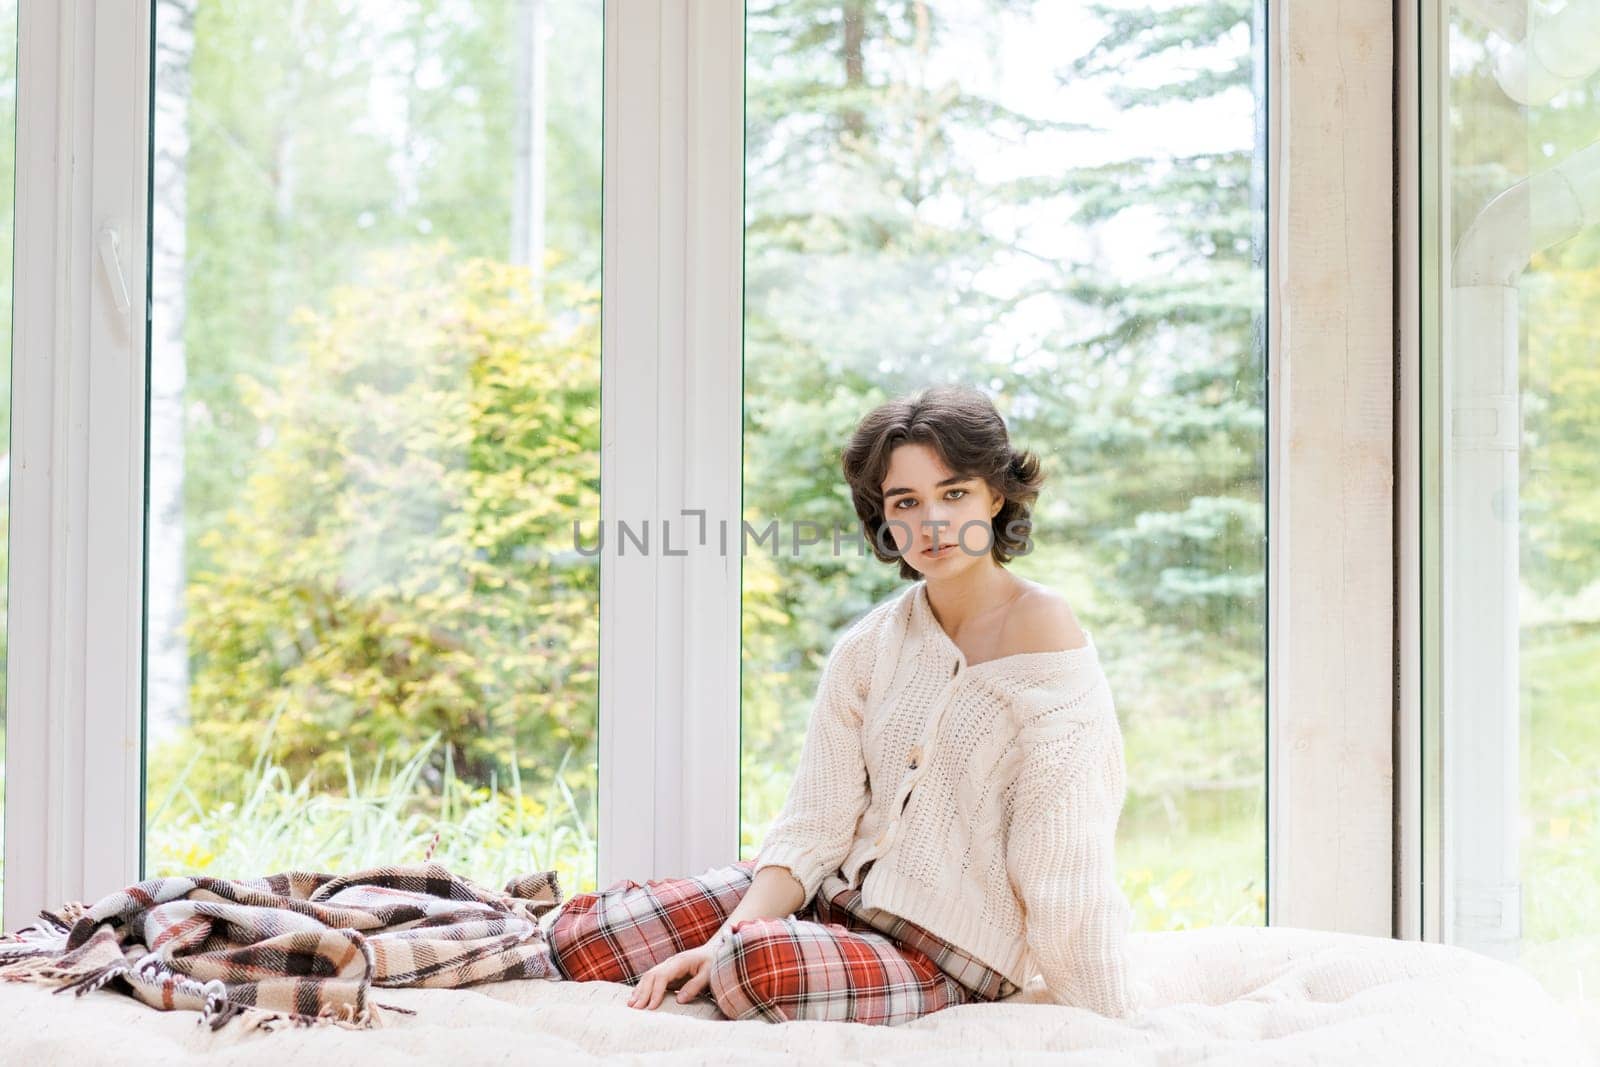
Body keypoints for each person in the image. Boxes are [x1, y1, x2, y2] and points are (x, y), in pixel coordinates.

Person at [545, 384, 1137, 1025]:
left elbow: (1064, 851)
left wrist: (1111, 1021)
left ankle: (750, 947)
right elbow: (815, 824)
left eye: (954, 493)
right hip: (833, 898)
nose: (931, 522)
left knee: (756, 962)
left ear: (997, 496)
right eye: (905, 502)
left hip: (950, 956)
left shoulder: (1044, 632)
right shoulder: (870, 647)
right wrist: (718, 937)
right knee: (587, 939)